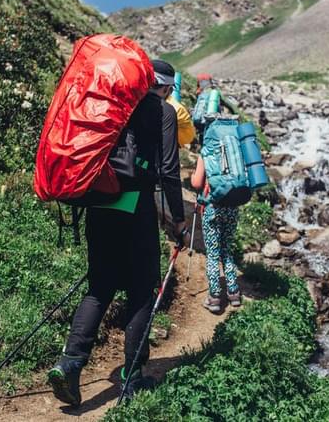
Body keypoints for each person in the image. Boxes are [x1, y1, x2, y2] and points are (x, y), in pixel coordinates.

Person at [48, 59, 189, 407]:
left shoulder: (117, 104)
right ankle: (133, 375)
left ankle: (70, 364)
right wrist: (179, 221)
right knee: (142, 291)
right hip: (135, 206)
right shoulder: (163, 111)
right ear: (167, 88)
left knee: (100, 287)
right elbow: (169, 170)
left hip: (99, 203)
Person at [190, 154, 242, 313]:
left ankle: (214, 297)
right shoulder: (235, 148)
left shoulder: (206, 150)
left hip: (213, 209)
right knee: (227, 250)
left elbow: (197, 182)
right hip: (232, 208)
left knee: (213, 254)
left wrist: (193, 175)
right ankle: (233, 293)